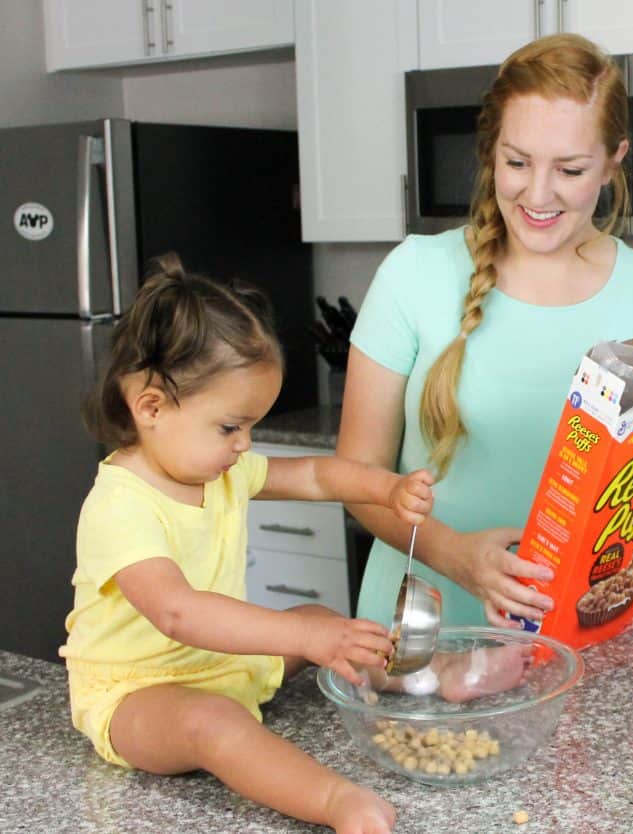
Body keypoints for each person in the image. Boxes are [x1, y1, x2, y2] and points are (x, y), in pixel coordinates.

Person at [337, 33, 633, 629]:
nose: (537, 194)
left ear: (614, 160)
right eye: (516, 163)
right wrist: (456, 557)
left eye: (569, 169)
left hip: (584, 638)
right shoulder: (412, 274)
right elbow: (357, 479)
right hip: (421, 637)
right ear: (491, 151)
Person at [60, 254, 436, 834]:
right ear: (151, 407)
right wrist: (306, 637)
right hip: (135, 696)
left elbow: (314, 477)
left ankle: (432, 677)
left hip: (220, 664)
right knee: (217, 723)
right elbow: (177, 612)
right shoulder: (120, 505)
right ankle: (337, 803)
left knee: (318, 616)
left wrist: (387, 487)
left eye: (251, 427)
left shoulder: (218, 471)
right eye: (231, 427)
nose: (245, 445)